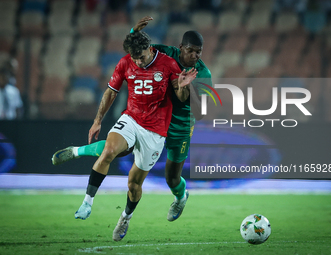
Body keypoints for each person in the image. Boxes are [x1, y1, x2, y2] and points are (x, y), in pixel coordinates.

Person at [52, 16, 212, 222]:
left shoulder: (203, 73)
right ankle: (77, 152)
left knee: (172, 178)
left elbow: (200, 113)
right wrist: (133, 31)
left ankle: (181, 197)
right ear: (181, 47)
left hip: (180, 127)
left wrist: (187, 87)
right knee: (117, 149)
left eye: (198, 52)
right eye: (190, 50)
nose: (195, 55)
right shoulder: (166, 53)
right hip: (152, 119)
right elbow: (140, 50)